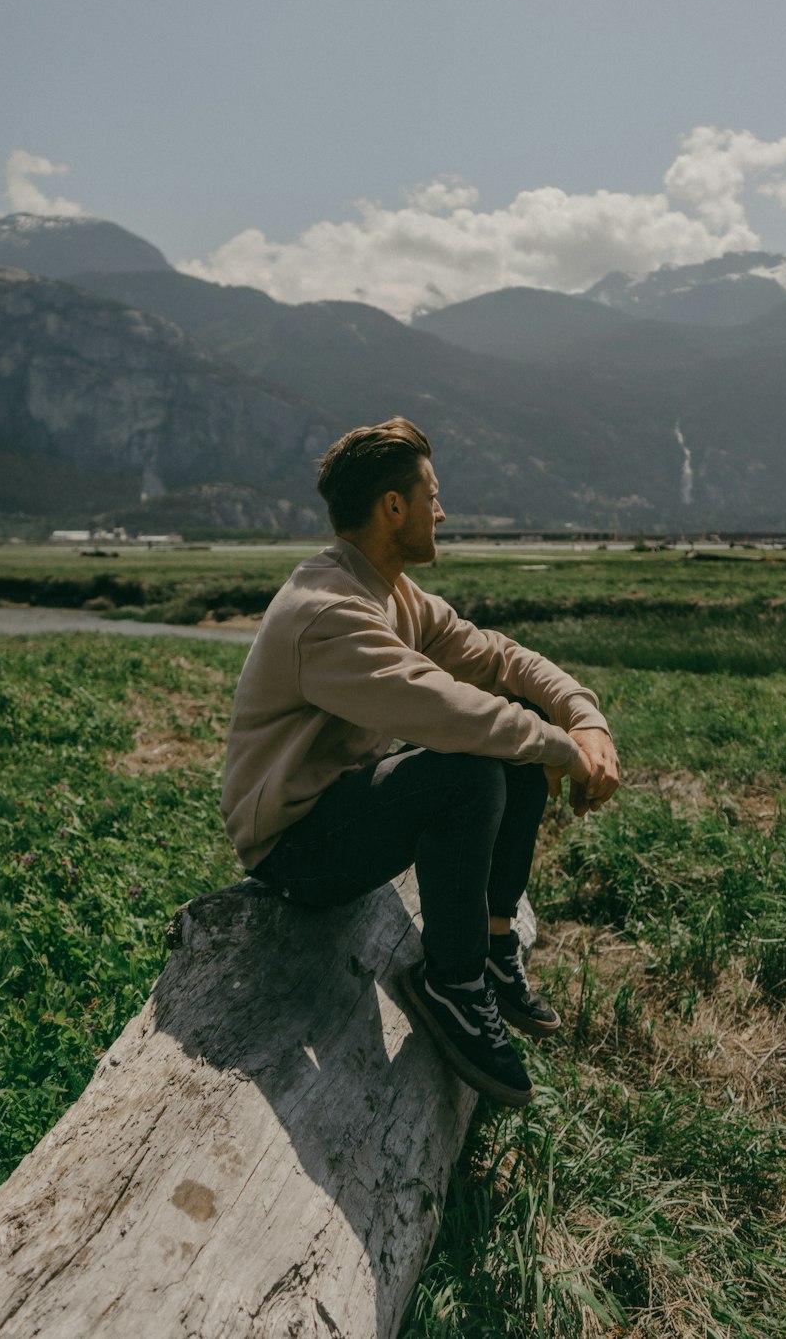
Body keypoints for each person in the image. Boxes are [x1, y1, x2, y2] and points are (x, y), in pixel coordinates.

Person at [221, 418, 619, 1106]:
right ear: (393, 507)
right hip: (293, 850)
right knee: (472, 766)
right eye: (431, 496)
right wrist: (563, 753)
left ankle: (493, 948)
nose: (442, 512)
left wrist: (583, 718)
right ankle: (452, 984)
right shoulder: (329, 612)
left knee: (511, 752)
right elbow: (450, 712)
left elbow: (498, 657)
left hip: (344, 803)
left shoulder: (392, 590)